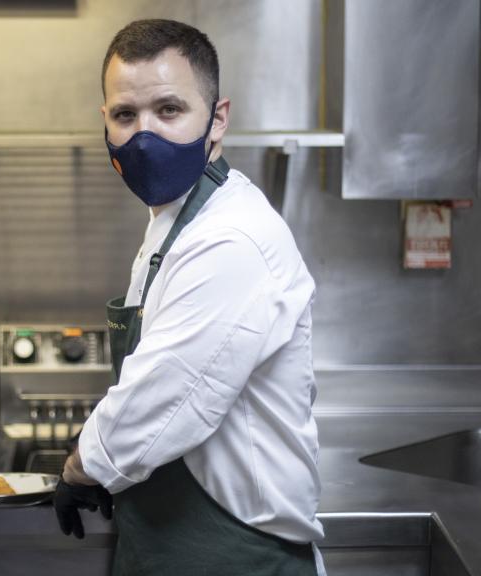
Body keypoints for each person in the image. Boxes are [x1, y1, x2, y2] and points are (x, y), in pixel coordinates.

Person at [53, 18, 325, 576]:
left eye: (169, 110)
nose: (144, 135)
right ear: (105, 121)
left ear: (217, 119)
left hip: (240, 558)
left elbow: (160, 400)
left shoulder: (230, 239)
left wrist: (82, 467)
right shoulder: (176, 224)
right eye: (125, 115)